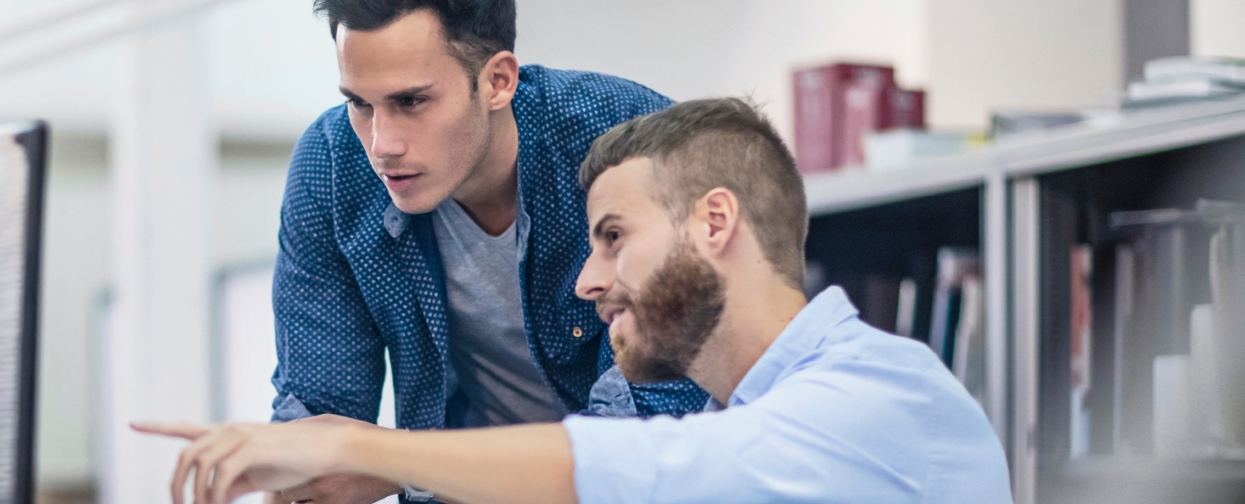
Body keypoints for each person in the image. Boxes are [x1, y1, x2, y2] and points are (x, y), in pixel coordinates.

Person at [137, 98, 1014, 504]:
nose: (587, 282)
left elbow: (634, 471)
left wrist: (355, 442)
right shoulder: (755, 410)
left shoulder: (878, 393)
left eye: (614, 238)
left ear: (715, 222)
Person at [268, 0, 710, 501]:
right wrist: (290, 468)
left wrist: (401, 462)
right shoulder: (332, 167)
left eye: (411, 102)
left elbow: (652, 421)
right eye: (360, 104)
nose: (382, 143)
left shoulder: (628, 140)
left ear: (497, 81)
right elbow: (320, 422)